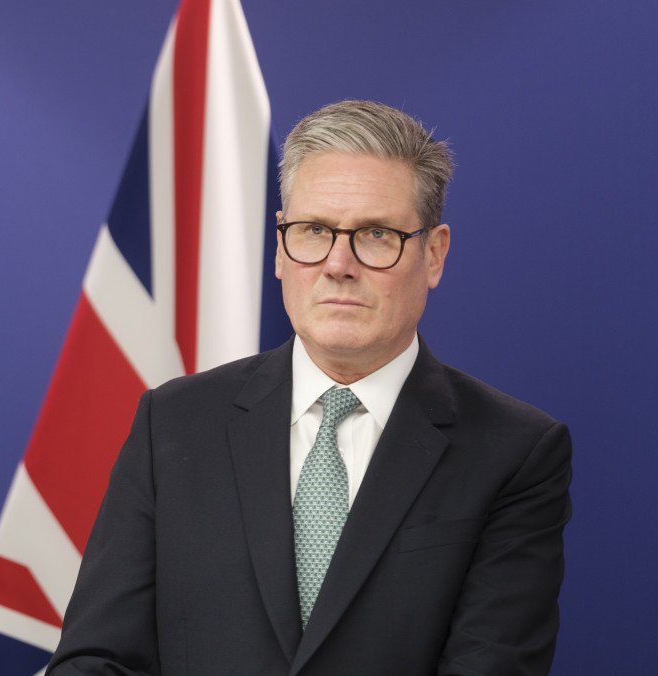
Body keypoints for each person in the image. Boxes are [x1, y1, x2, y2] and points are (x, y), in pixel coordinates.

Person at [47, 100, 572, 675]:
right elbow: (99, 658)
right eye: (314, 230)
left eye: (376, 234)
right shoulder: (172, 421)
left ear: (435, 253)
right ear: (279, 247)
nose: (337, 263)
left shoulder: (514, 452)